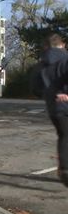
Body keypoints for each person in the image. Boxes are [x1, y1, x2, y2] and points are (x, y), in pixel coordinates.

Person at [36, 33, 68, 187]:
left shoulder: (41, 64)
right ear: (62, 45)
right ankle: (65, 169)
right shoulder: (65, 59)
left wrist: (51, 94)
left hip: (53, 108)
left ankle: (64, 169)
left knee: (63, 135)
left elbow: (35, 88)